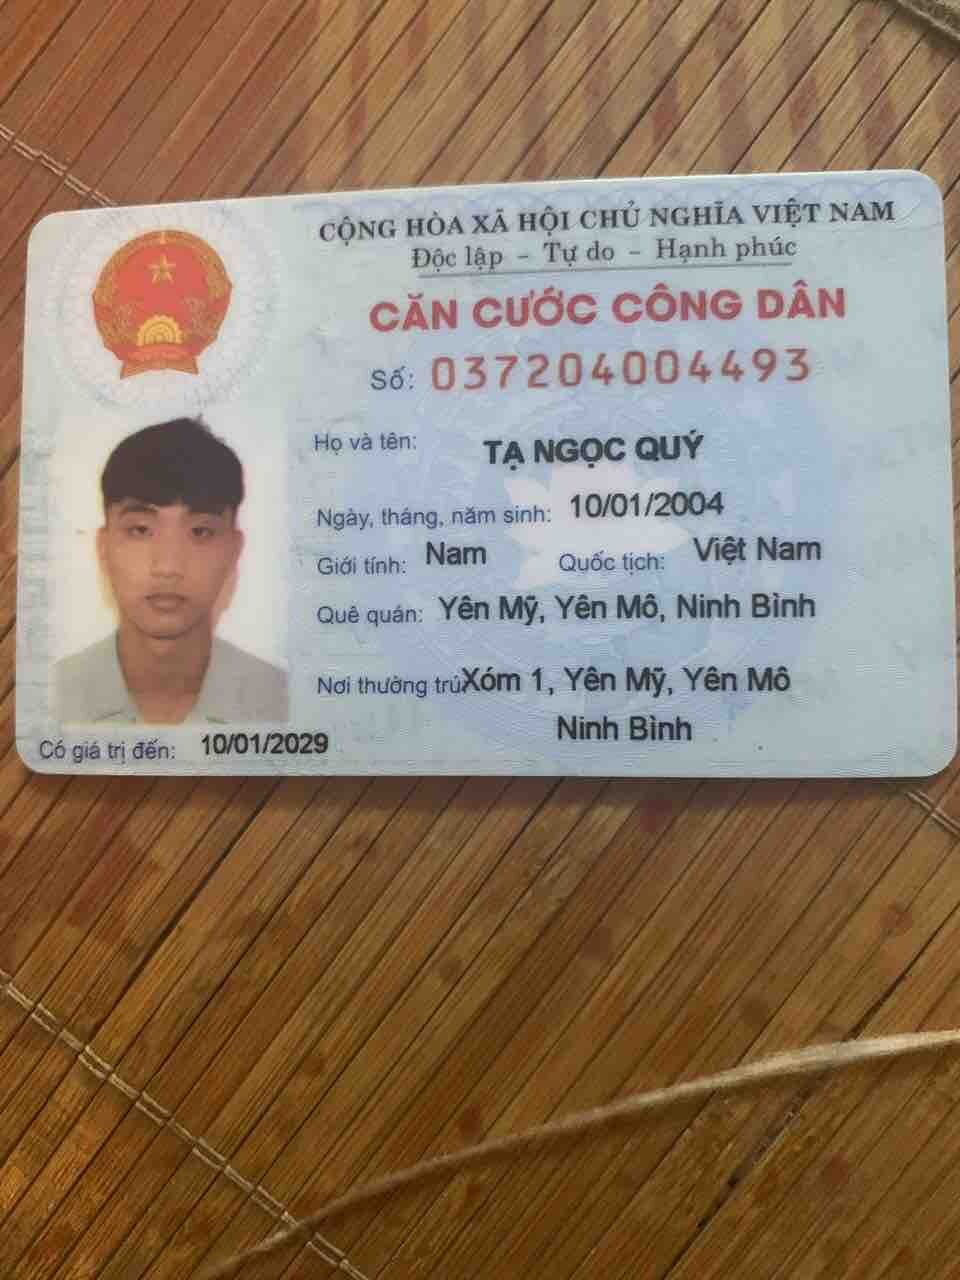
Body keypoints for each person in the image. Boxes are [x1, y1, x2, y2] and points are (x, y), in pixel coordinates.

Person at [56, 417, 287, 724]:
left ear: (234, 551)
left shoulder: (283, 705)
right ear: (103, 547)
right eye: (140, 530)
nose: (168, 567)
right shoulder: (49, 701)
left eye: (200, 532)